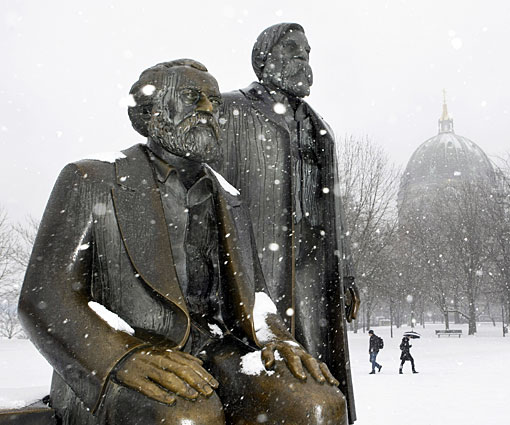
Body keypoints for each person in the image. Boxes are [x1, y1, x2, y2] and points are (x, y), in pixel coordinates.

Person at [18, 59, 348, 425]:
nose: (208, 109)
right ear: (150, 113)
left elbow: (255, 298)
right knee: (187, 418)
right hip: (124, 356)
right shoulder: (91, 179)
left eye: (214, 101)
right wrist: (121, 355)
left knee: (317, 404)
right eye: (192, 97)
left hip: (218, 351)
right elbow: (45, 298)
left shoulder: (230, 198)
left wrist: (279, 340)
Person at [218, 22, 359, 422]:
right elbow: (210, 187)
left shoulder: (319, 128)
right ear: (264, 60)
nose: (304, 59)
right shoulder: (231, 110)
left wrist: (346, 272)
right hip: (258, 258)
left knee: (318, 354)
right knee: (266, 356)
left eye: (307, 52)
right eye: (293, 50)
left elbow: (335, 207)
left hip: (314, 259)